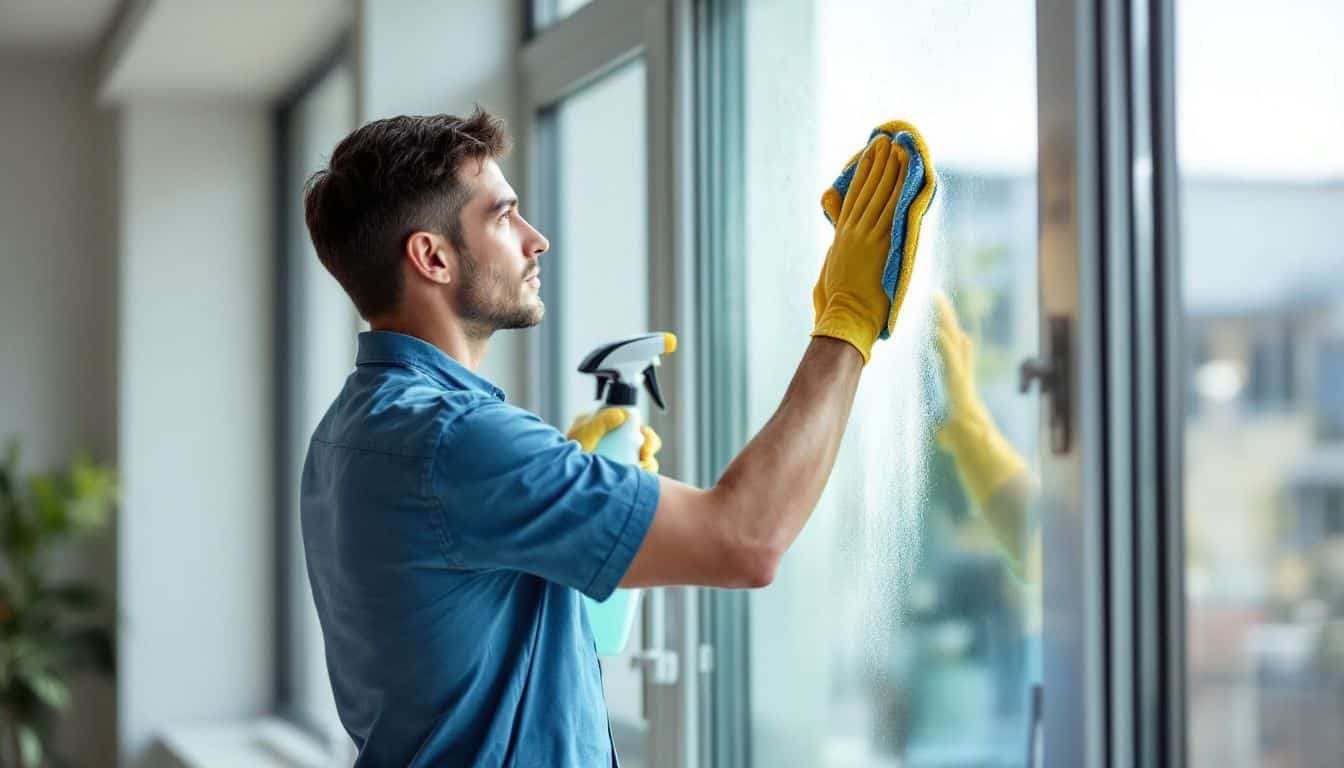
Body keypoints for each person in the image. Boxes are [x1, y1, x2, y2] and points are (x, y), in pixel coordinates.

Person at [299, 107, 913, 767]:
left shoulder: (347, 431)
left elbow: (515, 640)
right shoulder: (457, 440)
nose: (536, 239)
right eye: (503, 217)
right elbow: (747, 540)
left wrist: (573, 507)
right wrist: (846, 324)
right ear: (432, 256)